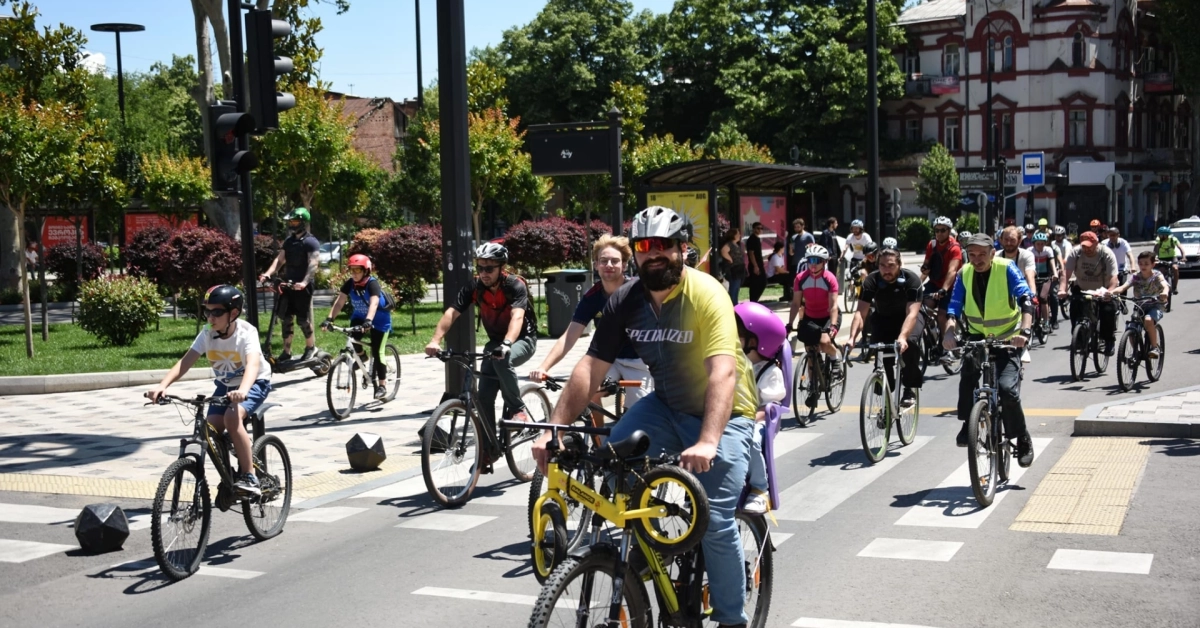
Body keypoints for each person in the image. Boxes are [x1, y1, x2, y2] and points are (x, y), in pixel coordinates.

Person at [531, 206, 758, 628]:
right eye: (644, 246)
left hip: (722, 414)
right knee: (612, 463)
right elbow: (591, 365)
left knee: (715, 520)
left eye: (664, 246)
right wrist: (555, 429)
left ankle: (732, 619)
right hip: (665, 405)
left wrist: (708, 440)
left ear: (683, 249)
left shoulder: (707, 294)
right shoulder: (626, 300)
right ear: (635, 252)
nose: (654, 254)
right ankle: (649, 553)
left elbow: (722, 372)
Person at [146, 286, 272, 495]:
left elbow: (252, 365)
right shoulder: (207, 334)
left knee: (232, 417)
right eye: (207, 311)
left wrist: (242, 391)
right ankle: (230, 473)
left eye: (217, 312)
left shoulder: (247, 333)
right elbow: (185, 362)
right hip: (225, 385)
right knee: (210, 428)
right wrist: (162, 386)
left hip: (254, 382)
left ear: (233, 313)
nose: (210, 317)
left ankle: (249, 476)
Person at [426, 243, 538, 467]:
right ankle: (490, 449)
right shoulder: (474, 287)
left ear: (501, 268)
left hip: (522, 340)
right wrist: (435, 340)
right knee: (484, 396)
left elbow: (517, 318)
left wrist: (507, 343)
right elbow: (452, 312)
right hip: (494, 344)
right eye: (481, 268)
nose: (484, 273)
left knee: (502, 358)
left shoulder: (515, 285)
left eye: (490, 268)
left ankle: (518, 410)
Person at [943, 233, 1036, 467]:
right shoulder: (965, 272)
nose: (977, 259)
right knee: (967, 378)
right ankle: (968, 424)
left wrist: (1024, 332)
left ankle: (1022, 437)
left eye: (982, 254)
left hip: (1008, 336)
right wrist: (949, 331)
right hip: (976, 335)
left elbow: (1026, 298)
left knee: (1007, 389)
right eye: (972, 255)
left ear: (992, 254)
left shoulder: (1006, 268)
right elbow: (954, 305)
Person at [529, 235, 652, 410]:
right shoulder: (592, 297)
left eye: (615, 261)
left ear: (624, 265)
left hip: (640, 360)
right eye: (603, 261)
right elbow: (569, 337)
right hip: (607, 360)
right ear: (596, 265)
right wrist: (543, 367)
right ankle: (599, 438)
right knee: (587, 393)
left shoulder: (639, 291)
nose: (609, 265)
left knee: (640, 414)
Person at [847, 246, 923, 408]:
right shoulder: (871, 281)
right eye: (882, 265)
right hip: (883, 318)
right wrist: (852, 338)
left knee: (910, 345)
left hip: (908, 319)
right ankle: (886, 403)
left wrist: (902, 337)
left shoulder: (912, 280)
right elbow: (861, 313)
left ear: (899, 264)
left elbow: (912, 314)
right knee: (882, 356)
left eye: (891, 265)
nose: (886, 270)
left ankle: (909, 388)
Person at [734, 301, 786, 516]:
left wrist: (746, 420)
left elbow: (769, 407)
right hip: (733, 418)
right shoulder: (735, 363)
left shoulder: (769, 371)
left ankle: (759, 488)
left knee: (751, 439)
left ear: (755, 341)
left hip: (758, 421)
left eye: (738, 335)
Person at [321, 254, 393, 400]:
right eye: (352, 270)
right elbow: (340, 301)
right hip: (359, 317)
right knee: (353, 340)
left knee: (378, 351)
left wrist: (369, 320)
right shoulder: (350, 283)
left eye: (357, 270)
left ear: (366, 270)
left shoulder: (372, 284)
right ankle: (362, 357)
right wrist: (329, 319)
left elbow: (373, 303)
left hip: (379, 320)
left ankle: (382, 385)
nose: (354, 273)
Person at [259, 207, 320, 362]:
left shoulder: (310, 242)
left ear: (303, 222)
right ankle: (287, 352)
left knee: (302, 319)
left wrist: (305, 282)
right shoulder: (289, 241)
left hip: (303, 286)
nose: (292, 224)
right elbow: (279, 260)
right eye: (291, 221)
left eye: (295, 221)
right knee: (286, 318)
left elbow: (313, 263)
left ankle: (310, 347)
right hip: (288, 284)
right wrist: (268, 273)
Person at [787, 244, 842, 406]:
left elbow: (833, 306)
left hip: (828, 316)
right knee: (811, 351)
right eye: (810, 260)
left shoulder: (830, 278)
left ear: (824, 262)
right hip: (811, 316)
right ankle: (813, 386)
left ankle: (834, 358)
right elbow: (796, 304)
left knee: (824, 342)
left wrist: (832, 326)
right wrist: (790, 324)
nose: (813, 264)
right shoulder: (800, 278)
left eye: (817, 261)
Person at [1059, 231, 1119, 355]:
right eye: (1084, 246)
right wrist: (1062, 289)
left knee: (1108, 311)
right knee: (1075, 307)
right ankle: (1079, 338)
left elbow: (1114, 278)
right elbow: (1066, 273)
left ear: (1096, 243)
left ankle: (1108, 340)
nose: (1087, 249)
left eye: (1089, 246)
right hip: (1082, 288)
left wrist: (1110, 291)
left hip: (1103, 289)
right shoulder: (1076, 253)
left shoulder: (1106, 253)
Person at [1111, 251, 1170, 359]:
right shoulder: (1136, 277)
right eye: (1141, 263)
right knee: (1130, 327)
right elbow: (1124, 287)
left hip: (1155, 305)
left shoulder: (1157, 275)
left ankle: (1154, 347)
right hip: (1139, 306)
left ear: (1153, 264)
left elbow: (1164, 285)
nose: (1143, 266)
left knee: (1148, 320)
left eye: (1146, 264)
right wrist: (1111, 292)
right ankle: (1136, 351)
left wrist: (1165, 293)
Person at [919, 216, 963, 338]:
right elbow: (926, 267)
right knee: (923, 309)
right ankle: (931, 333)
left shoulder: (955, 248)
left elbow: (952, 271)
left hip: (950, 286)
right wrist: (916, 284)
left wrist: (943, 290)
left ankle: (946, 346)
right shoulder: (932, 245)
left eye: (943, 230)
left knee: (942, 315)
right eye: (937, 230)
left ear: (949, 231)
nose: (939, 233)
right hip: (934, 283)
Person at [1031, 232, 1062, 329]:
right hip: (1034, 277)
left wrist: (1055, 274)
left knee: (1045, 296)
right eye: (1038, 244)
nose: (1040, 246)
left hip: (1047, 277)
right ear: (1034, 244)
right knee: (1032, 297)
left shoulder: (1048, 250)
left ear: (1045, 243)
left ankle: (1048, 321)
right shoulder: (1030, 251)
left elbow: (1052, 263)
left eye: (1042, 244)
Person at [719, 226, 747, 304]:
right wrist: (730, 259)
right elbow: (723, 251)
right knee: (733, 289)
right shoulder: (729, 244)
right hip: (734, 269)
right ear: (733, 235)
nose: (739, 235)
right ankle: (733, 305)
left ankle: (735, 304)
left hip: (739, 269)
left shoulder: (736, 244)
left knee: (736, 288)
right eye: (737, 234)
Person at [1153, 226, 1184, 295]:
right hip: (1162, 258)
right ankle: (1160, 286)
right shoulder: (1158, 240)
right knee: (1161, 271)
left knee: (1175, 268)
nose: (1160, 236)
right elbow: (1155, 249)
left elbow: (1180, 248)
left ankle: (1175, 286)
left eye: (1161, 235)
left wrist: (1183, 257)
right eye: (1159, 235)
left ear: (1166, 235)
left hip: (1172, 257)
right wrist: (1155, 257)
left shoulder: (1173, 239)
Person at [745, 222, 767, 303]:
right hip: (755, 265)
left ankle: (754, 301)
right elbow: (751, 253)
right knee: (757, 283)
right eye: (758, 228)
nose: (760, 230)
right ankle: (753, 301)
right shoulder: (752, 239)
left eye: (761, 228)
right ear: (753, 229)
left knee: (762, 282)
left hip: (759, 264)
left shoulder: (757, 239)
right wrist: (755, 266)